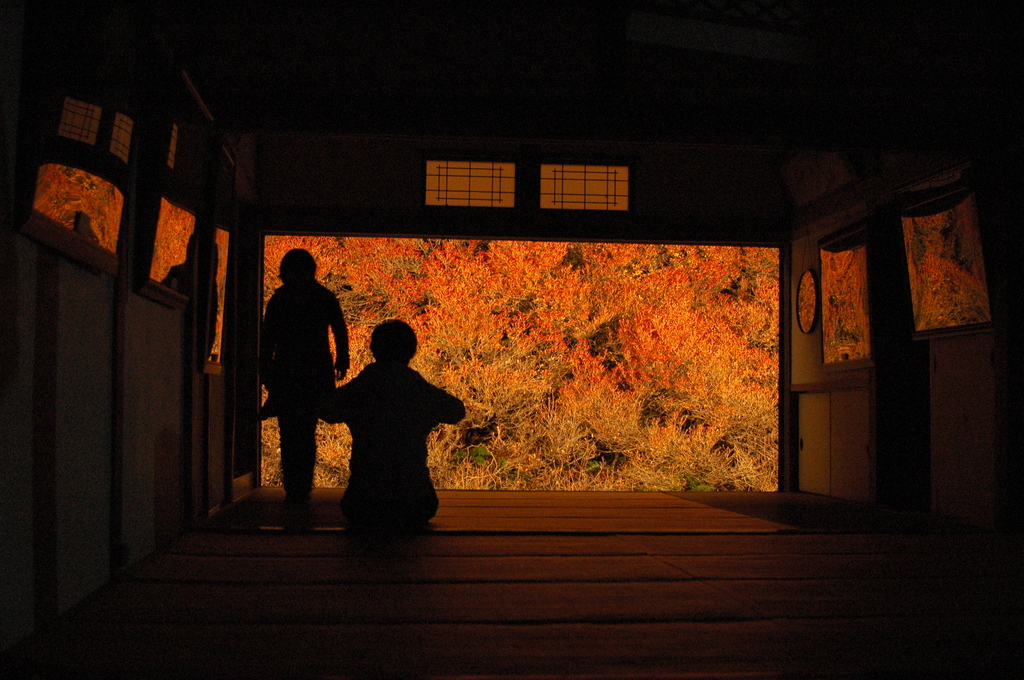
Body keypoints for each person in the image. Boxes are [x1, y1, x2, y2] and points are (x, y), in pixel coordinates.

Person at [321, 320, 465, 528]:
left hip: (363, 502)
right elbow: (456, 411)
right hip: (415, 502)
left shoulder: (361, 388)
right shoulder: (418, 390)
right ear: (412, 351)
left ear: (373, 349)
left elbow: (328, 410)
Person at [260, 248, 349, 504]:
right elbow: (339, 331)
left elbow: (268, 338)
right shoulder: (323, 296)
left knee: (289, 431)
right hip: (316, 369)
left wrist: (265, 368)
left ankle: (294, 487)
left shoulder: (280, 299)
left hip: (287, 370)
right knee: (306, 429)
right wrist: (342, 359)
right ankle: (301, 486)